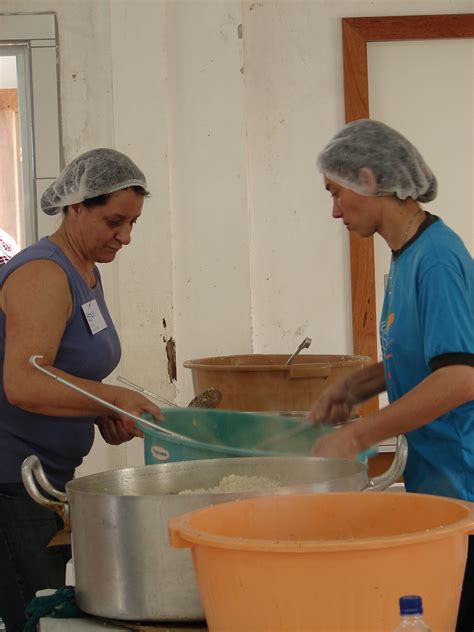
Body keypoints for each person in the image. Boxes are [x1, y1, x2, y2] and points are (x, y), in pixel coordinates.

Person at [309, 119, 473, 632]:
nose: (334, 209)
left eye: (336, 193)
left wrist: (359, 434)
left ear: (368, 178)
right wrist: (354, 386)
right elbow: (427, 359)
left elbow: (461, 377)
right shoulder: (406, 257)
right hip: (438, 488)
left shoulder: (438, 258)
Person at [0, 148, 163, 632]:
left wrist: (95, 412)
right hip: (11, 481)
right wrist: (108, 398)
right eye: (115, 221)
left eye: (133, 223)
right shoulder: (44, 274)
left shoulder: (86, 271)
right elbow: (24, 382)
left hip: (46, 479)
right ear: (76, 207)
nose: (126, 236)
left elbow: (59, 371)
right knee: (35, 619)